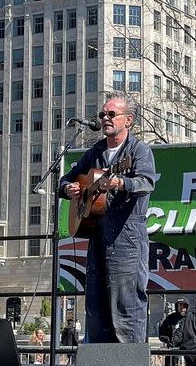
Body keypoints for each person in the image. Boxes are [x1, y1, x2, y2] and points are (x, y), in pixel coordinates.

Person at [60, 91, 156, 343]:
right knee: (96, 303)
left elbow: (146, 182)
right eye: (102, 114)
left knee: (126, 304)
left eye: (111, 114)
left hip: (127, 237)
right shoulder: (95, 152)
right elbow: (68, 178)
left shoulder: (139, 150)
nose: (105, 118)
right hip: (97, 235)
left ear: (129, 119)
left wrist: (120, 182)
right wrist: (67, 188)